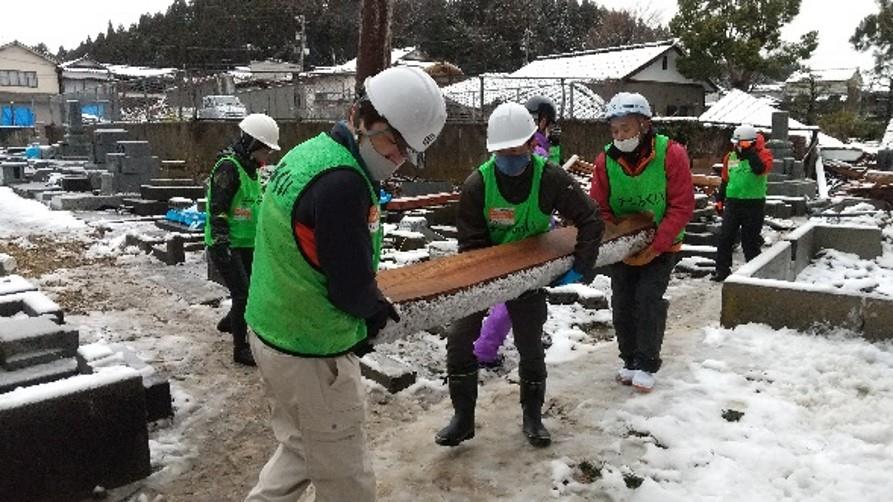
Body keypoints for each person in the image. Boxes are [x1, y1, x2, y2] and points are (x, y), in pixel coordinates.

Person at [243, 67, 446, 502]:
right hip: (312, 349)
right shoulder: (341, 183)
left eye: (408, 151)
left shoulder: (312, 152)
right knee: (346, 479)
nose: (397, 159)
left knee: (300, 448)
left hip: (273, 328)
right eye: (393, 142)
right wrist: (373, 316)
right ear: (361, 116)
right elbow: (350, 288)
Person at [436, 102, 604, 448]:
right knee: (459, 339)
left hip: (529, 276)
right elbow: (470, 246)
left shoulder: (551, 178)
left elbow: (590, 219)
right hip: (482, 274)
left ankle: (532, 416)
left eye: (516, 150)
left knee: (530, 344)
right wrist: (488, 281)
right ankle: (463, 418)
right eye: (502, 152)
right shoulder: (477, 185)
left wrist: (581, 267)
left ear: (532, 144)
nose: (510, 158)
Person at [589, 92, 694, 392]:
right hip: (624, 245)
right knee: (622, 301)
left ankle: (647, 362)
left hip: (664, 241)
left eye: (626, 128)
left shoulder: (671, 154)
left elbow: (681, 205)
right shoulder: (605, 161)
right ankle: (629, 359)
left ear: (644, 125)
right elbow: (601, 207)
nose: (620, 136)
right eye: (615, 130)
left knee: (648, 298)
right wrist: (616, 240)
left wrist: (656, 245)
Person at [472, 95, 561, 367]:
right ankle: (484, 349)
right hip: (523, 237)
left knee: (529, 297)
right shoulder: (532, 151)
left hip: (535, 233)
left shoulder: (544, 148)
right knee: (512, 298)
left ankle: (530, 332)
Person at [205, 113, 279, 367]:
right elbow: (218, 207)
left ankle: (231, 320)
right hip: (227, 244)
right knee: (243, 294)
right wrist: (221, 240)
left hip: (248, 243)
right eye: (265, 149)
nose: (267, 155)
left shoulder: (252, 169)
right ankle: (241, 348)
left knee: (249, 291)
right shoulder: (228, 168)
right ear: (252, 143)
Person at [712, 124, 773, 281]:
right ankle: (722, 270)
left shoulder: (764, 155)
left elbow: (760, 170)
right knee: (725, 237)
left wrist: (751, 155)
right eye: (737, 143)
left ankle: (755, 274)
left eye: (743, 144)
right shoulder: (730, 157)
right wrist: (720, 199)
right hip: (733, 203)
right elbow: (725, 180)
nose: (739, 146)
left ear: (752, 143)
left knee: (749, 241)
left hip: (753, 204)